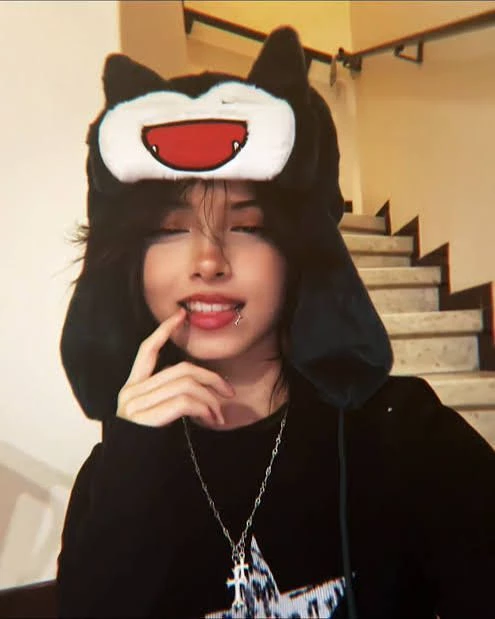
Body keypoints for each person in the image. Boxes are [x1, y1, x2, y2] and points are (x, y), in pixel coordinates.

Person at [56, 27, 494, 619]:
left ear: (297, 250)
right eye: (170, 230)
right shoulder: (112, 475)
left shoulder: (403, 434)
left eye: (248, 226)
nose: (208, 262)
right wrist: (131, 463)